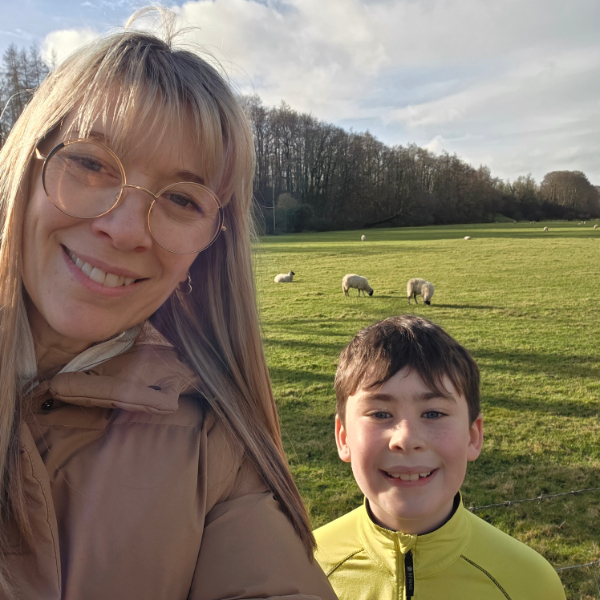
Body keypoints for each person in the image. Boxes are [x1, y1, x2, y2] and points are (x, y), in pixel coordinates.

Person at [0, 8, 337, 600]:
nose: (127, 229)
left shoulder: (216, 452)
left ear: (210, 247)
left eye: (182, 199)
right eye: (91, 163)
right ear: (28, 164)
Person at [314, 315, 566, 599]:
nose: (406, 439)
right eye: (380, 414)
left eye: (433, 413)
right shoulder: (305, 573)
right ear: (343, 437)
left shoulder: (530, 584)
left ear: (473, 436)